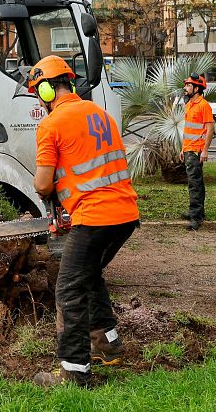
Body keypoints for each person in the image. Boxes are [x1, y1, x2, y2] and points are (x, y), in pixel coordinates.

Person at [27, 55, 140, 386]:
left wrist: (53, 192)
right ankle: (107, 343)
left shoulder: (51, 124)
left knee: (68, 288)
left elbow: (43, 183)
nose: (38, 99)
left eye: (37, 92)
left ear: (46, 90)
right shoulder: (99, 114)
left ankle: (74, 372)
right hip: (125, 215)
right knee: (89, 275)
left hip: (96, 216)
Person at [180, 73, 214, 230]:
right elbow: (187, 130)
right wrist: (182, 149)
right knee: (193, 183)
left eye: (188, 85)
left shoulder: (203, 105)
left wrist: (205, 151)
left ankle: (196, 217)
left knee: (195, 184)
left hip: (196, 151)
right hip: (188, 149)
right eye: (186, 85)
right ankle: (196, 211)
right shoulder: (189, 104)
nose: (185, 88)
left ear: (197, 88)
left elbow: (209, 129)